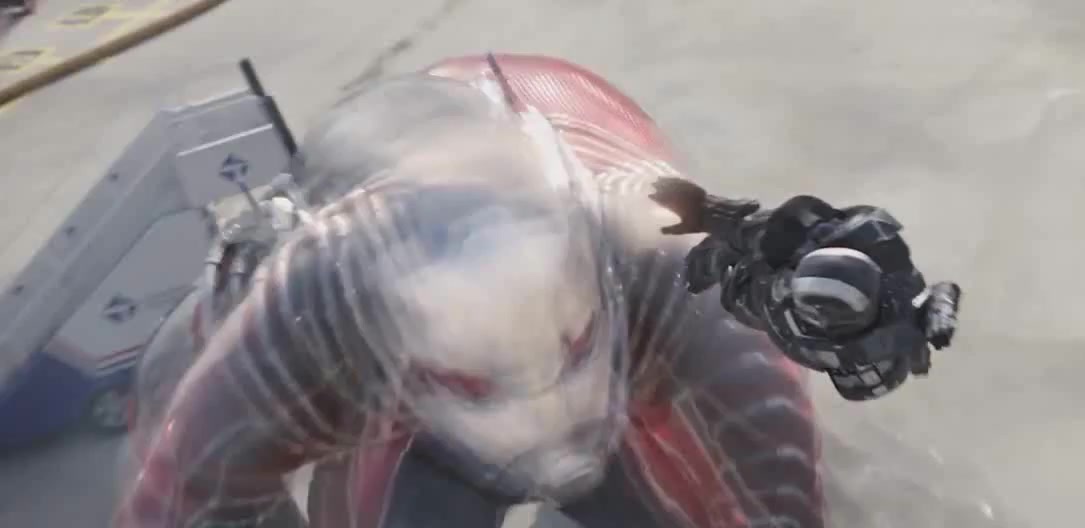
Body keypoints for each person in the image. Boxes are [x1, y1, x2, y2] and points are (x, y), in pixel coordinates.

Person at [117, 53, 959, 528]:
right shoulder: (295, 330)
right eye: (477, 385)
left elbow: (775, 477)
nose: (550, 418)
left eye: (569, 351)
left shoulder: (674, 278)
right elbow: (180, 488)